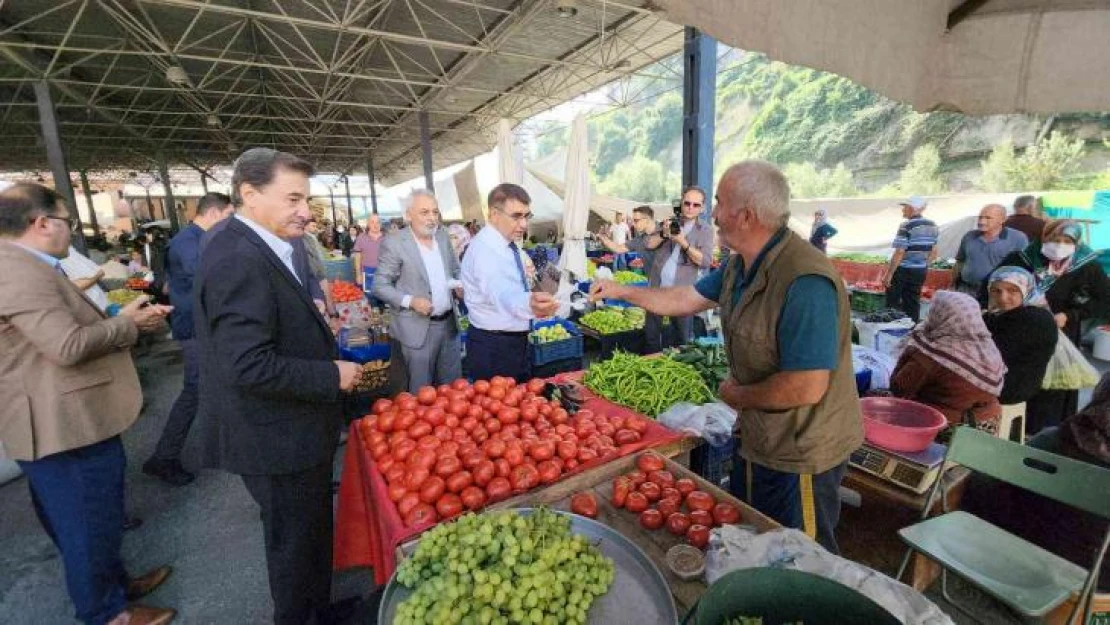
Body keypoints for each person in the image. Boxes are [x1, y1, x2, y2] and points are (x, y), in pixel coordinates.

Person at [590, 161, 862, 553]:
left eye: (718, 202)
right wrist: (621, 290)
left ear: (746, 216)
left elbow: (806, 386)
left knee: (804, 557)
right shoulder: (741, 265)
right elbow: (687, 298)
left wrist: (737, 396)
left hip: (803, 450)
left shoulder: (805, 280)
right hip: (761, 436)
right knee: (759, 540)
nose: (712, 213)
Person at [193, 148, 361, 625]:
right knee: (293, 542)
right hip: (275, 437)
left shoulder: (252, 243)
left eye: (305, 198)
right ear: (249, 193)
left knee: (307, 533)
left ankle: (318, 609)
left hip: (286, 428)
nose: (305, 211)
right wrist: (333, 374)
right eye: (292, 198)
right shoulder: (236, 255)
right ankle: (300, 616)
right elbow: (247, 364)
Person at [0, 183, 176, 625]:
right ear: (41, 224)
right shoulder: (18, 270)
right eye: (67, 222)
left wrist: (117, 319)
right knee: (87, 521)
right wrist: (129, 326)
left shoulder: (29, 266)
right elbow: (67, 345)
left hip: (65, 415)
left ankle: (113, 584)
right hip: (62, 422)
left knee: (91, 516)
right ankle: (107, 612)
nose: (70, 231)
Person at [961, 372, 1110, 593]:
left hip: (1018, 556)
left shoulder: (1055, 439)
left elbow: (996, 481)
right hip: (1094, 583)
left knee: (982, 479)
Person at [141, 192, 234, 487]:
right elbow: (212, 281)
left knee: (213, 385)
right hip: (195, 328)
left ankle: (224, 444)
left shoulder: (194, 239)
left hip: (203, 325)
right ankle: (163, 457)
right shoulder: (189, 243)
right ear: (215, 213)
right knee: (194, 389)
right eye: (229, 216)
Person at [990, 220, 1110, 434]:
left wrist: (1071, 315)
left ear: (1076, 243)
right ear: (1044, 238)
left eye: (1067, 241)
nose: (1060, 245)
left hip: (1060, 334)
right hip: (1017, 331)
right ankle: (1009, 430)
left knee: (1052, 389)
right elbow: (991, 287)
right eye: (1055, 239)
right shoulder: (1023, 259)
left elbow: (1103, 300)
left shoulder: (1085, 265)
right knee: (1017, 379)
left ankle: (1042, 435)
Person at [461, 183, 559, 382]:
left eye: (526, 216)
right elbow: (501, 292)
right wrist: (528, 303)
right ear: (494, 214)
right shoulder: (484, 250)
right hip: (494, 347)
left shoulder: (506, 244)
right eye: (516, 216)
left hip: (511, 340)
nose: (523, 225)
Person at [373, 190, 463, 391]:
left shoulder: (442, 237)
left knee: (452, 391)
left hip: (449, 327)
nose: (431, 218)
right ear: (408, 215)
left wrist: (459, 285)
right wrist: (411, 301)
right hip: (417, 329)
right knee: (420, 394)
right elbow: (379, 285)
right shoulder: (395, 242)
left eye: (435, 212)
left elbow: (455, 270)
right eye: (424, 212)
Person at [890, 291, 1005, 433]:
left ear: (939, 314)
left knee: (876, 395)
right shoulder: (985, 344)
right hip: (988, 423)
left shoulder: (932, 352)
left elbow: (899, 388)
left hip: (949, 429)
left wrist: (911, 349)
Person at [641, 187, 716, 351]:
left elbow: (705, 261)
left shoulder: (705, 231)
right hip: (657, 287)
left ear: (702, 208)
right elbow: (648, 244)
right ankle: (652, 368)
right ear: (681, 203)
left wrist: (682, 241)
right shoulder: (670, 222)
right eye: (687, 203)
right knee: (651, 335)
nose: (690, 207)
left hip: (681, 293)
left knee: (682, 339)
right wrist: (663, 235)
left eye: (696, 205)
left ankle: (679, 370)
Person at [982, 266, 1058, 405]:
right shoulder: (999, 314)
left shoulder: (1035, 319)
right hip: (999, 380)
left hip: (1012, 387)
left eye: (1012, 291)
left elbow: (993, 353)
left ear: (1027, 291)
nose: (1003, 297)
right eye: (996, 291)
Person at [953, 204, 1028, 301]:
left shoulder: (1017, 238)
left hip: (996, 293)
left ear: (1002, 219)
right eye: (980, 217)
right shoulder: (969, 236)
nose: (982, 221)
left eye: (988, 218)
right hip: (966, 289)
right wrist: (953, 283)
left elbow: (1024, 269)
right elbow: (960, 261)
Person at [883, 196, 938, 321]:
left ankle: (890, 329)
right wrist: (923, 265)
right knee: (913, 302)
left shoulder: (906, 226)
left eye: (905, 207)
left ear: (912, 208)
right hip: (920, 271)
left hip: (903, 270)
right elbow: (934, 251)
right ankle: (912, 330)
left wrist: (889, 274)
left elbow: (900, 251)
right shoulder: (933, 225)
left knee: (893, 302)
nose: (903, 210)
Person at [597, 205, 658, 277]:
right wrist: (604, 238)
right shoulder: (639, 239)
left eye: (636, 220)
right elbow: (618, 248)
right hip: (653, 283)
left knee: (622, 261)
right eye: (633, 221)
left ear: (647, 220)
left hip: (668, 285)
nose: (633, 224)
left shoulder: (666, 234)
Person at [304, 218, 338, 320]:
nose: (315, 228)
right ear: (305, 226)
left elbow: (318, 254)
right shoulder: (305, 239)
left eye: (315, 226)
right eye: (313, 226)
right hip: (316, 275)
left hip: (318, 273)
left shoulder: (311, 238)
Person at [60, 244, 110, 311]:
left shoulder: (69, 249)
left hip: (99, 304)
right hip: (85, 309)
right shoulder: (51, 257)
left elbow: (100, 271)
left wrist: (93, 276)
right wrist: (95, 276)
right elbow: (70, 288)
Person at [353, 214, 384, 295]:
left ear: (381, 224)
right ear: (368, 224)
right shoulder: (361, 237)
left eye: (378, 222)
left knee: (384, 297)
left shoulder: (387, 237)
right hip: (367, 272)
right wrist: (358, 275)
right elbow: (357, 257)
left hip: (384, 273)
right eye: (372, 222)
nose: (375, 225)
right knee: (369, 297)